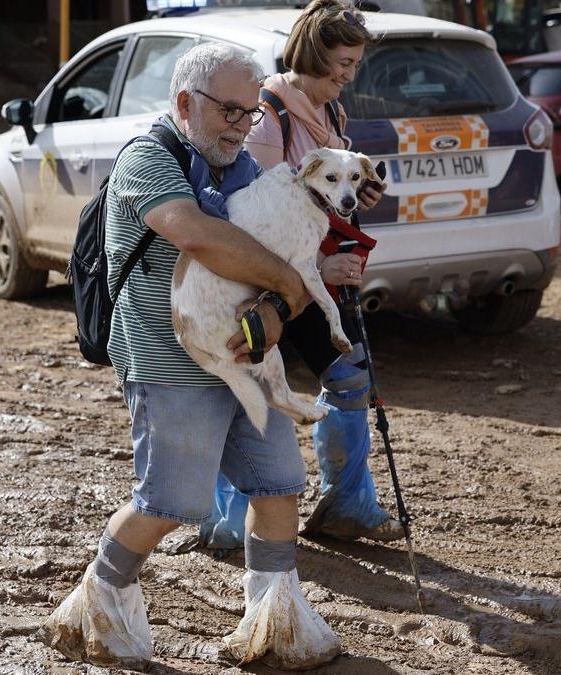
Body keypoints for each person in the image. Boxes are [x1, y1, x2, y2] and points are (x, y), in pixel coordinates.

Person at [37, 43, 341, 670]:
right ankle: (95, 605)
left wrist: (280, 308)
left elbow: (271, 267)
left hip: (242, 359)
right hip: (168, 362)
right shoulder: (148, 158)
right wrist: (288, 281)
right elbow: (196, 235)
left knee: (280, 484)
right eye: (229, 112)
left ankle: (275, 621)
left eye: (251, 114)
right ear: (184, 102)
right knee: (171, 502)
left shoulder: (241, 172)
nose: (241, 126)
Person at [199, 0, 403, 551]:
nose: (347, 75)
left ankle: (346, 506)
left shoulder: (332, 115)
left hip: (317, 277)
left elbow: (320, 204)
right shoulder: (273, 114)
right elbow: (259, 221)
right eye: (340, 62)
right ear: (312, 53)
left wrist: (358, 196)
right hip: (268, 283)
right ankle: (228, 522)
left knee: (350, 378)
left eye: (355, 64)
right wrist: (319, 265)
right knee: (245, 389)